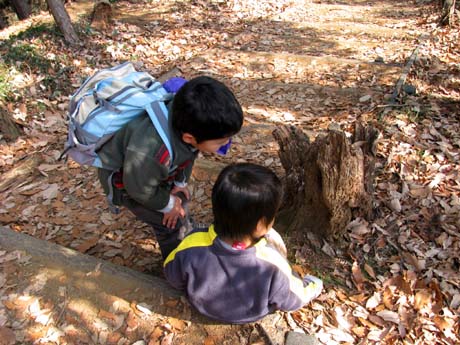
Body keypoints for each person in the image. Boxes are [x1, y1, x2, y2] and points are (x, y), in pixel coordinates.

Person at [96, 76, 244, 259]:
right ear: (189, 138)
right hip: (128, 184)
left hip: (155, 173)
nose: (227, 144)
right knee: (168, 224)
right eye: (221, 142)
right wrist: (167, 204)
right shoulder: (151, 151)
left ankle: (186, 228)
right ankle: (178, 262)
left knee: (180, 201)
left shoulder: (189, 123)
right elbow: (138, 189)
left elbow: (189, 154)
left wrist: (180, 183)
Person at [164, 163, 323, 324]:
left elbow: (171, 274)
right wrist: (314, 285)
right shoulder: (272, 262)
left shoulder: (192, 243)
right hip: (251, 315)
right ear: (261, 225)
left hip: (202, 307)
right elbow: (293, 300)